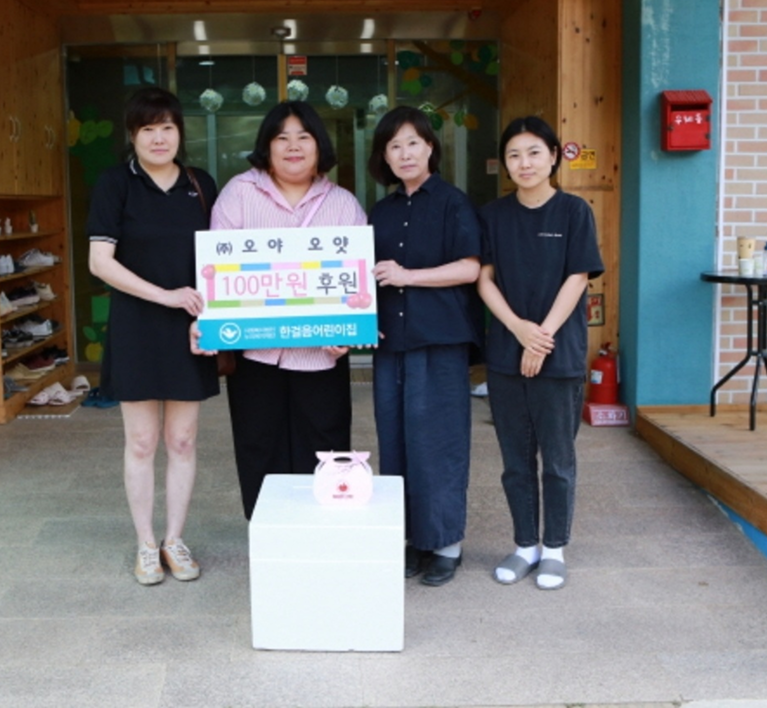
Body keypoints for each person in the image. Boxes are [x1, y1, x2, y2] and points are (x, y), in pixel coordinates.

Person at [193, 100, 368, 519]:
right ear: (266, 146)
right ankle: (267, 531)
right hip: (255, 353)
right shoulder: (239, 194)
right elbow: (217, 269)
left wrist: (349, 331)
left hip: (322, 355)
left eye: (303, 137)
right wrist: (210, 320)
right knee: (258, 445)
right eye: (282, 137)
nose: (293, 146)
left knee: (325, 446)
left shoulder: (343, 203)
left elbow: (357, 282)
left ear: (318, 145)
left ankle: (322, 531)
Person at [87, 87, 220, 586]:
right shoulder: (115, 183)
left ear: (180, 132)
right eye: (148, 128)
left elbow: (221, 260)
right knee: (142, 441)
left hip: (191, 325)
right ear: (133, 134)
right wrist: (164, 296)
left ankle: (174, 540)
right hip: (137, 325)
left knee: (182, 439)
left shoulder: (200, 183)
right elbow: (100, 262)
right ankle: (146, 543)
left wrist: (213, 317)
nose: (159, 137)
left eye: (167, 127)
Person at [477, 116, 604, 591]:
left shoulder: (574, 211)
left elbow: (579, 277)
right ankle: (525, 545)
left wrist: (542, 337)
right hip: (506, 352)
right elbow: (484, 278)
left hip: (559, 353)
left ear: (553, 156)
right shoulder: (492, 215)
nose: (524, 163)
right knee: (515, 460)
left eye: (534, 152)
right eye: (514, 154)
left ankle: (554, 549)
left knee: (556, 459)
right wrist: (517, 329)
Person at [368, 106, 482, 587]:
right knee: (395, 443)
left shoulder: (454, 203)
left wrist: (409, 277)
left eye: (413, 142)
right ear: (385, 157)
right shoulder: (381, 212)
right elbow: (363, 276)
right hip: (390, 344)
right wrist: (361, 321)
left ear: (430, 147)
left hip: (439, 340)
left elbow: (470, 268)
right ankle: (413, 539)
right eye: (394, 146)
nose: (405, 153)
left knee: (438, 442)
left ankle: (446, 544)